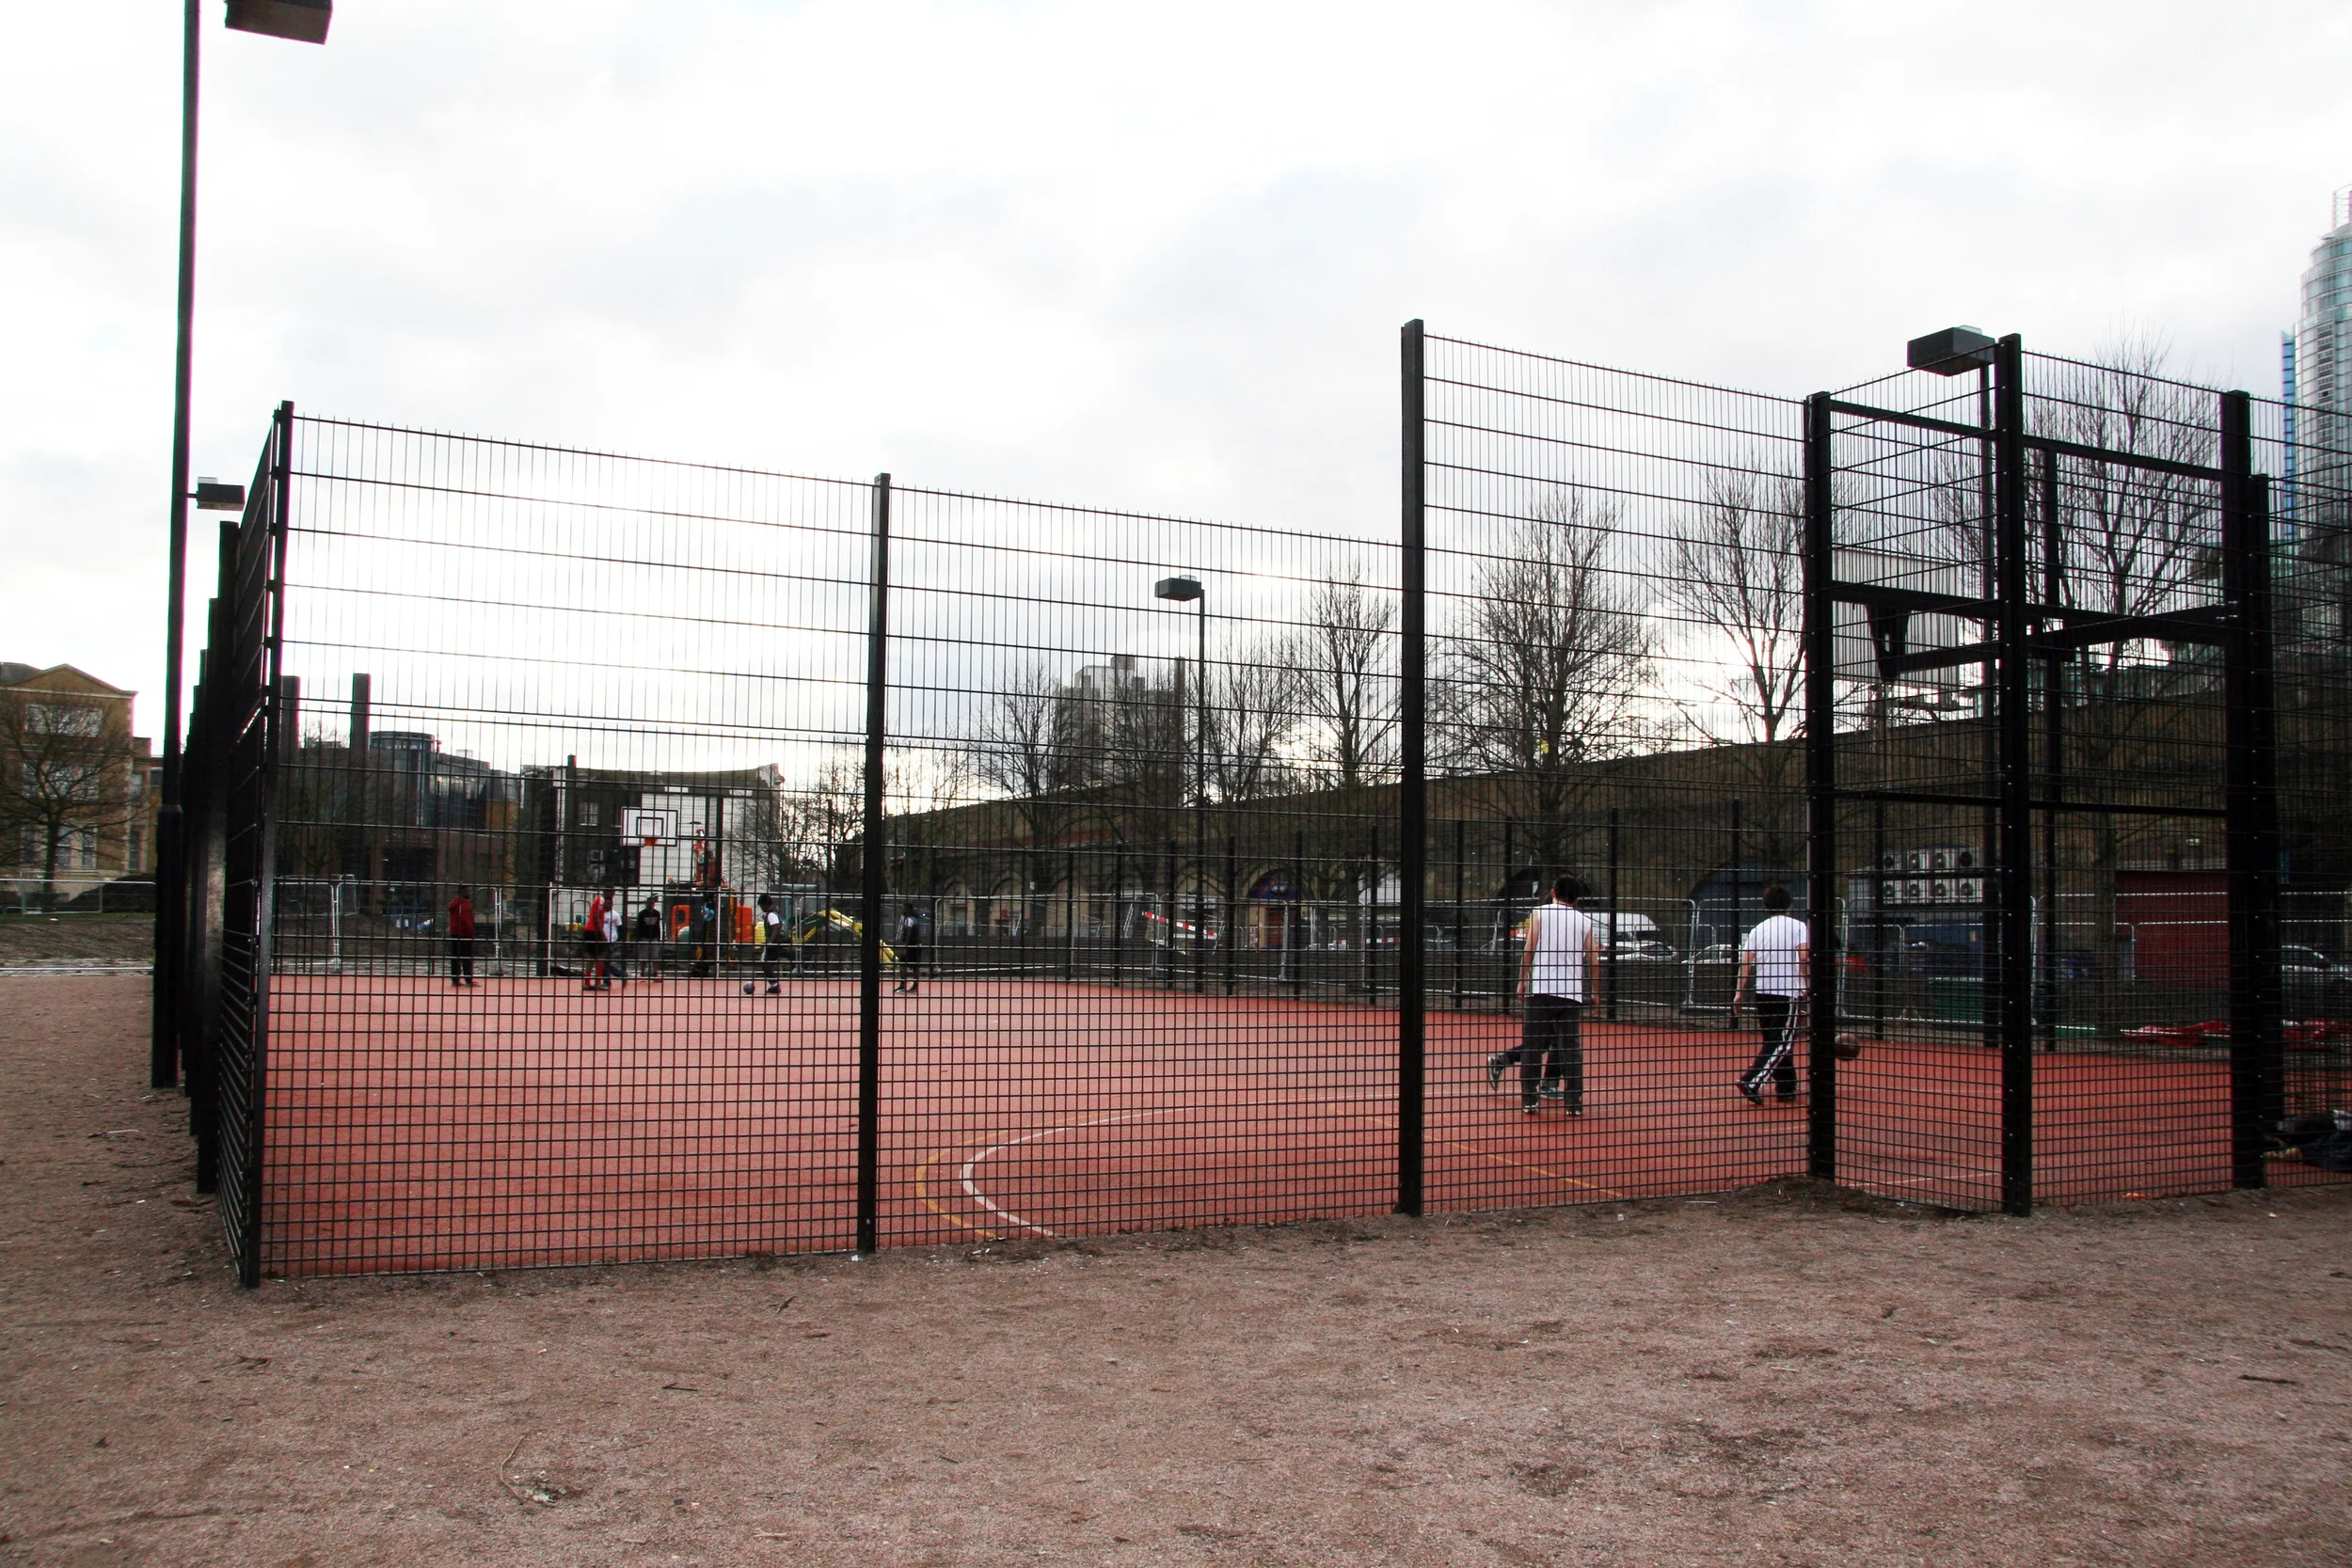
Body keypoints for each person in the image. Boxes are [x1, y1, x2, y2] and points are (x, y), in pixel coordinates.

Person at [1496, 874, 1598, 1115]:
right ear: (1577, 898)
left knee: (1532, 1047)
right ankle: (1574, 1102)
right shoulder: (1585, 921)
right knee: (1570, 1048)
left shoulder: (1540, 913)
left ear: (1553, 892)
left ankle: (1530, 1100)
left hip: (1541, 989)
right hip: (1571, 993)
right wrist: (1595, 992)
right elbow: (1593, 959)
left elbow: (1529, 948)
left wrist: (1523, 981)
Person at [1734, 884, 1809, 1106]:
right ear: (1790, 906)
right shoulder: (1798, 926)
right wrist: (1807, 983)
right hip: (1788, 991)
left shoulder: (1758, 929)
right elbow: (1804, 957)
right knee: (1782, 1041)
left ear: (1766, 906)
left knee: (1775, 1038)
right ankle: (1752, 1080)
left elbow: (1747, 962)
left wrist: (1739, 992)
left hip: (1763, 992)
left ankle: (1786, 1086)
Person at [446, 885, 478, 988]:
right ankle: (468, 980)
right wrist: (470, 933)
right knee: (467, 958)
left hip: (455, 933)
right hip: (464, 934)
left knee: (455, 957)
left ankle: (455, 979)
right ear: (463, 892)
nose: (470, 893)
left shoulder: (455, 904)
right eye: (468, 891)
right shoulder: (464, 904)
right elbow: (466, 921)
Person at [581, 888, 610, 992]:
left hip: (590, 931)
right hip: (593, 932)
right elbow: (596, 917)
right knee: (601, 955)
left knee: (592, 958)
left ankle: (587, 982)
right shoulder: (600, 901)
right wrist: (602, 934)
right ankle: (598, 983)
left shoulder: (598, 901)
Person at [758, 894, 786, 994]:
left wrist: (771, 941)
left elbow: (776, 927)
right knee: (768, 962)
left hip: (775, 942)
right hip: (779, 941)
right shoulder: (774, 913)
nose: (761, 908)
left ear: (764, 905)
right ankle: (774, 982)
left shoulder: (771, 914)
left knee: (764, 961)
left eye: (761, 906)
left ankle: (774, 984)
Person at [632, 898, 665, 983]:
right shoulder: (642, 914)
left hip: (654, 937)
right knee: (643, 957)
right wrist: (638, 938)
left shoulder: (657, 913)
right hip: (644, 937)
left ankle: (655, 973)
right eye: (650, 903)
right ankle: (642, 974)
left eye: (652, 903)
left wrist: (659, 938)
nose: (651, 904)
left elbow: (657, 926)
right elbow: (638, 927)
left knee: (655, 956)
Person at [894, 904, 925, 994]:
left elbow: (908, 933)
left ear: (908, 909)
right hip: (917, 943)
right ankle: (915, 987)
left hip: (911, 944)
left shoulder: (909, 920)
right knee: (915, 966)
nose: (903, 910)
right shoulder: (916, 919)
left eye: (904, 908)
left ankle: (903, 985)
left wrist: (905, 946)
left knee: (903, 964)